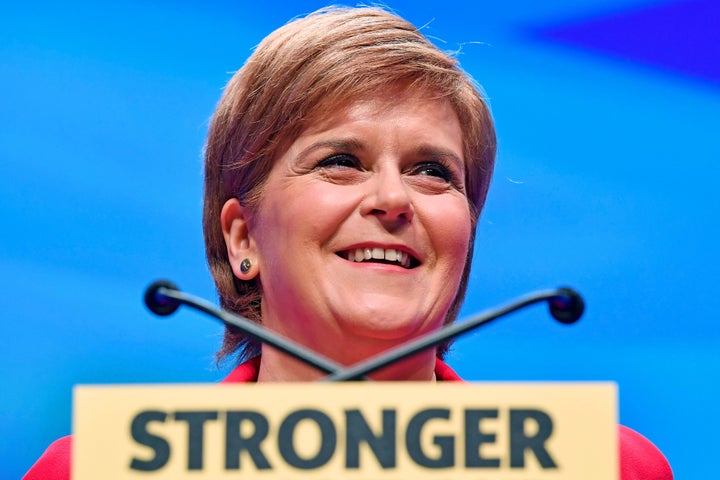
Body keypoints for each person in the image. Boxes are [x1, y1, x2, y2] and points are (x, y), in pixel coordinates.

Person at [24, 6, 672, 479]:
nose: (394, 200)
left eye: (432, 172)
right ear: (241, 237)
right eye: (341, 160)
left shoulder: (604, 466)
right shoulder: (98, 469)